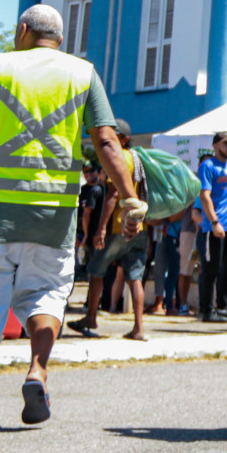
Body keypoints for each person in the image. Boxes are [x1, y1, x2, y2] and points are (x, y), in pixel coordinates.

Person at [0, 4, 138, 428]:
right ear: (60, 40)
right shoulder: (83, 74)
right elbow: (106, 141)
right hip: (54, 215)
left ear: (22, 30)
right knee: (45, 295)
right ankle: (37, 370)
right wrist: (131, 199)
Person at [71, 118, 149, 341]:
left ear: (123, 139)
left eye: (114, 135)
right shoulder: (137, 158)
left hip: (119, 226)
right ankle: (138, 328)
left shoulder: (119, 158)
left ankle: (91, 318)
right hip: (139, 224)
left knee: (96, 270)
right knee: (135, 277)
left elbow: (114, 196)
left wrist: (102, 228)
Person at [196, 132, 227, 323]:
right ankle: (207, 310)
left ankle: (222, 306)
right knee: (211, 268)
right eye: (226, 143)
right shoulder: (208, 166)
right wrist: (214, 222)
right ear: (216, 145)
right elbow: (205, 195)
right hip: (214, 225)